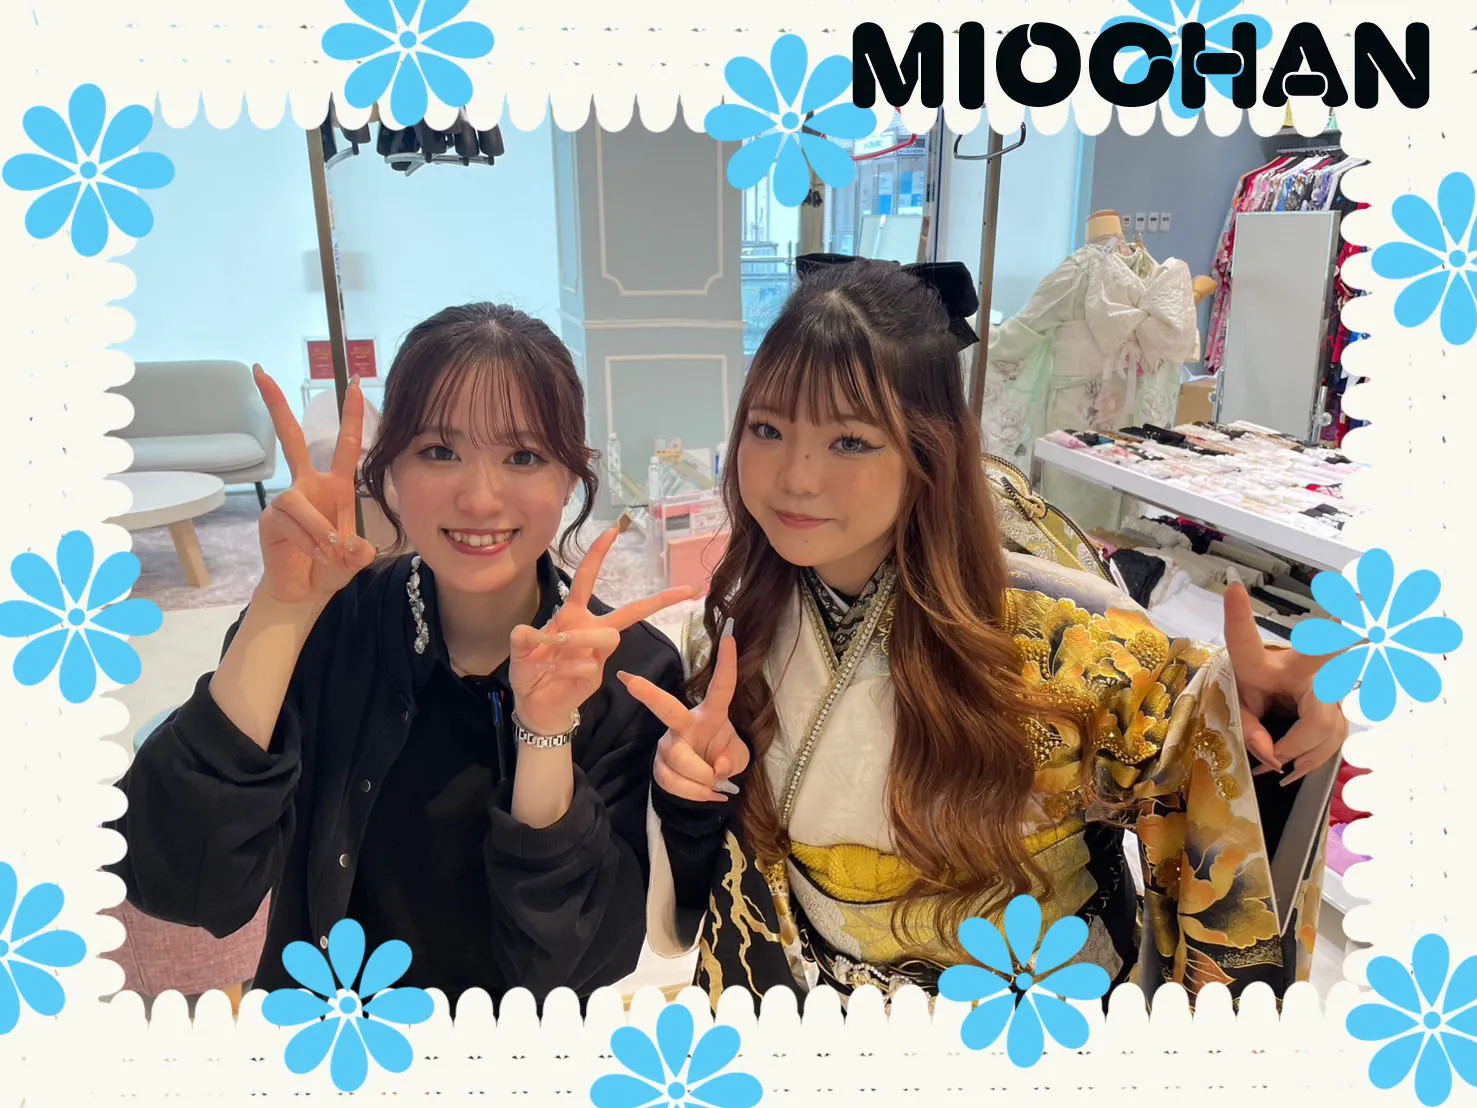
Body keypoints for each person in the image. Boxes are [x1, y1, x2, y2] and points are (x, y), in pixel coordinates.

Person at [624, 257, 1348, 1007]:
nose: (796, 477)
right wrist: (688, 792)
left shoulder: (1055, 628)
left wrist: (1263, 707)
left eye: (850, 441)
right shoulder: (740, 623)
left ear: (927, 449)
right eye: (767, 429)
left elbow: (1195, 750)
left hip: (1035, 1009)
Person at [106, 303, 693, 1004]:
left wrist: (544, 732)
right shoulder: (326, 624)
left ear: (571, 475)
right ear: (389, 470)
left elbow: (572, 967)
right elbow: (177, 882)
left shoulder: (633, 674)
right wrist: (283, 609)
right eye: (439, 451)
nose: (479, 499)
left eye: (524, 456)